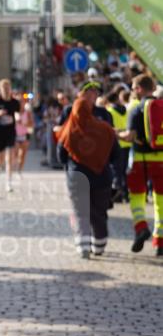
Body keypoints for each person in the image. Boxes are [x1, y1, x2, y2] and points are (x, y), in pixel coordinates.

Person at [56, 81, 120, 258]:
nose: (93, 95)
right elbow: (115, 150)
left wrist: (69, 165)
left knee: (81, 210)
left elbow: (61, 152)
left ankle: (84, 245)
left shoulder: (71, 127)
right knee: (97, 211)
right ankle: (98, 245)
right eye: (89, 91)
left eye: (95, 92)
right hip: (101, 175)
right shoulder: (105, 127)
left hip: (78, 174)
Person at [122, 74, 163, 255]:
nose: (132, 92)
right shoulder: (161, 107)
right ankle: (160, 241)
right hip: (161, 159)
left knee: (137, 197)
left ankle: (141, 227)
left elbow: (129, 136)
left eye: (133, 88)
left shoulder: (136, 109)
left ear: (139, 89)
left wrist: (115, 133)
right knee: (161, 200)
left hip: (140, 160)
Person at [14, 97, 34, 177]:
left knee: (23, 155)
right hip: (15, 135)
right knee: (15, 154)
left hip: (25, 135)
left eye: (21, 103)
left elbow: (32, 124)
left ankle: (19, 170)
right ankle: (15, 167)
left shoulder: (28, 113)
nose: (20, 105)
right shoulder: (14, 113)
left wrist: (24, 123)